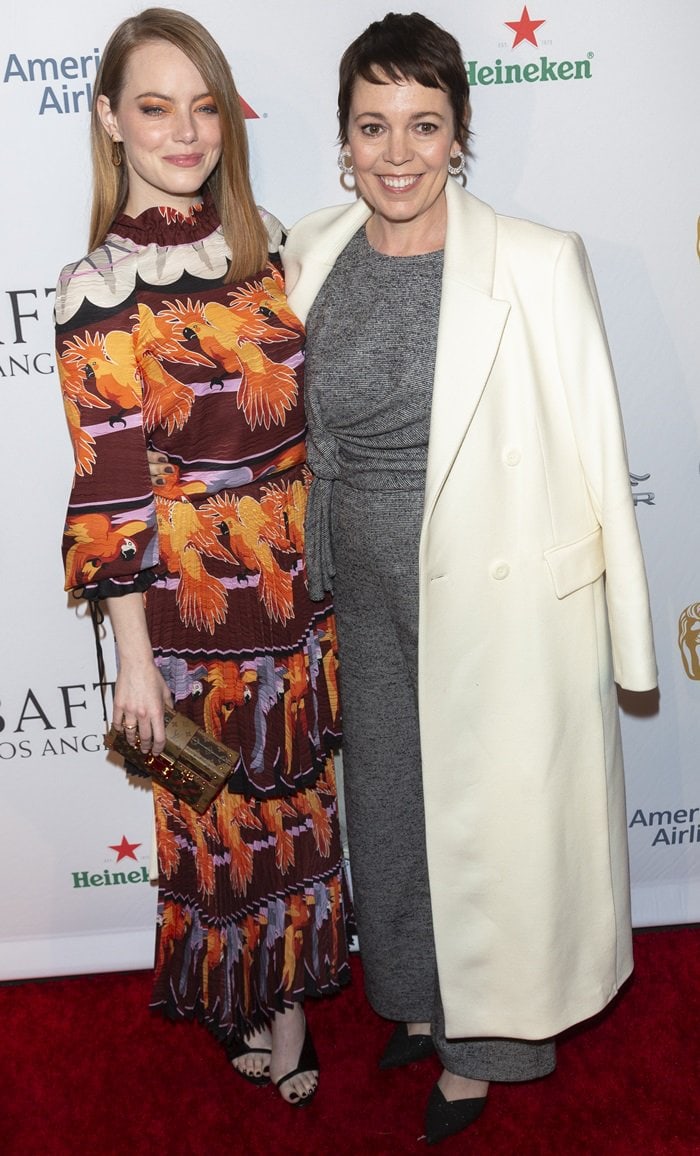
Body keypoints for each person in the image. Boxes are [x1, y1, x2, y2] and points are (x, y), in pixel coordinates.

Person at [280, 11, 657, 1144]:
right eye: (373, 126)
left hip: (493, 604)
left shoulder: (537, 262)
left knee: (492, 827)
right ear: (343, 138)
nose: (397, 153)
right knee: (391, 814)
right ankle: (419, 999)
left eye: (423, 125)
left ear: (459, 134)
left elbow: (595, 443)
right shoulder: (312, 249)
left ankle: (487, 1048)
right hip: (360, 591)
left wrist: (631, 643)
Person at [55, 7, 351, 1107]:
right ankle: (254, 997)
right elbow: (110, 489)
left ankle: (290, 999)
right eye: (153, 106)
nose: (185, 131)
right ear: (109, 121)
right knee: (217, 820)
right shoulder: (94, 289)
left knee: (303, 813)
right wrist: (134, 663)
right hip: (187, 624)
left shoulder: (263, 240)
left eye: (203, 106)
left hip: (298, 597)